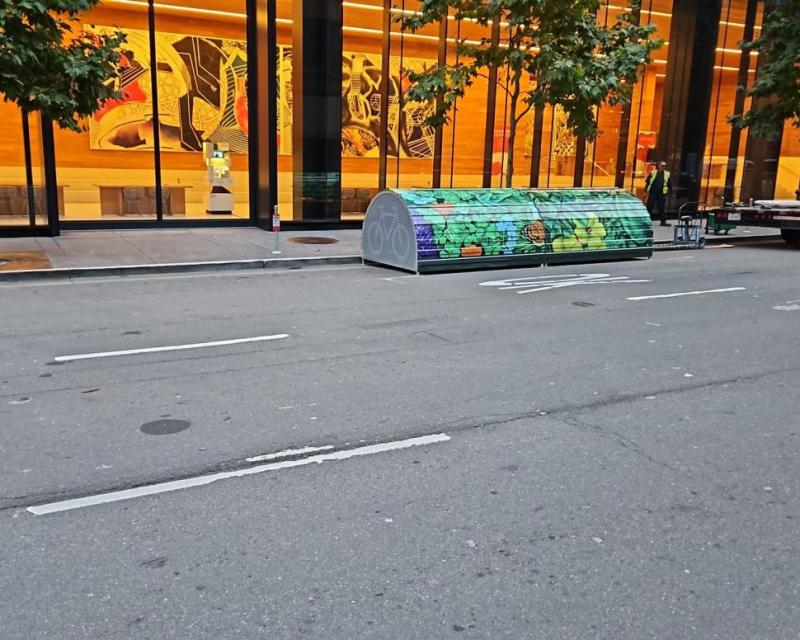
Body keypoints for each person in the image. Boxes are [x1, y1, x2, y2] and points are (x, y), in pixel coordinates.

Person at [645, 161, 671, 226]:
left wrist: (670, 192)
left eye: (665, 166)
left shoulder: (667, 174)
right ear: (658, 166)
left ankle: (663, 222)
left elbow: (669, 184)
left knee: (661, 208)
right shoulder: (653, 172)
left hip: (661, 193)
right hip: (653, 192)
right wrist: (645, 191)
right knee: (649, 207)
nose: (664, 167)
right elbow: (648, 182)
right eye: (662, 166)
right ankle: (646, 221)